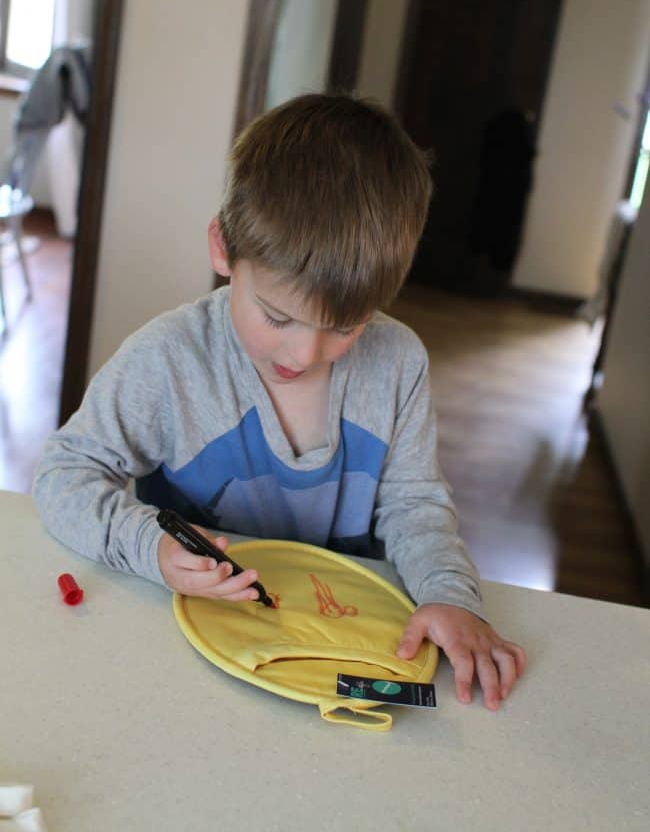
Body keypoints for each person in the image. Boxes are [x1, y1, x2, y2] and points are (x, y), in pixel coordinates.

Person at [33, 93, 525, 710]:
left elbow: (415, 504)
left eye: (346, 327)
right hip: (189, 658)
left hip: (333, 651)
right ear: (222, 248)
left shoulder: (399, 364)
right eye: (277, 316)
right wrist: (150, 546)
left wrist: (451, 595)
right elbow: (63, 475)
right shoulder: (168, 361)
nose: (306, 353)